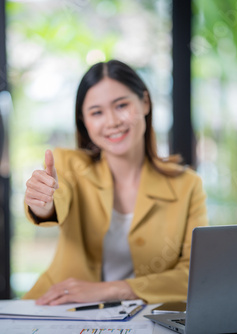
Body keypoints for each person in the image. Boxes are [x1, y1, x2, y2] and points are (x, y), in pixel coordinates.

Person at [23, 59, 208, 305]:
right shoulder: (68, 164)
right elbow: (58, 199)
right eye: (96, 112)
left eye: (121, 105)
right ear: (84, 121)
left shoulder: (187, 185)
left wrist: (114, 289)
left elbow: (194, 275)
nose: (111, 122)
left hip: (145, 318)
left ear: (145, 102)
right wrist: (42, 203)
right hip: (60, 308)